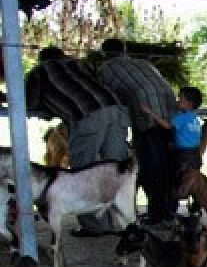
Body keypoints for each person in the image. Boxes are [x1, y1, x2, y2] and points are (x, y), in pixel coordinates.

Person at [25, 46, 131, 234]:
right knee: (116, 169)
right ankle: (125, 223)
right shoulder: (80, 64)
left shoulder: (39, 72)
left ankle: (95, 227)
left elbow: (30, 103)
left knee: (85, 172)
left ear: (42, 59)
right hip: (116, 109)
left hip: (86, 114)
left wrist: (50, 107)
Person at [98, 38, 177, 224]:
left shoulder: (106, 69)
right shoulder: (143, 63)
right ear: (124, 50)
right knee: (167, 166)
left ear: (104, 54)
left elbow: (108, 97)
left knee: (152, 167)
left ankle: (158, 214)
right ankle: (167, 211)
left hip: (146, 116)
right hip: (169, 112)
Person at [141, 85, 204, 183]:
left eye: (180, 99)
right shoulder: (194, 118)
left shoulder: (182, 117)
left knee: (168, 171)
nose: (177, 102)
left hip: (183, 155)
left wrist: (150, 112)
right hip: (195, 155)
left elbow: (167, 126)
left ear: (189, 104)